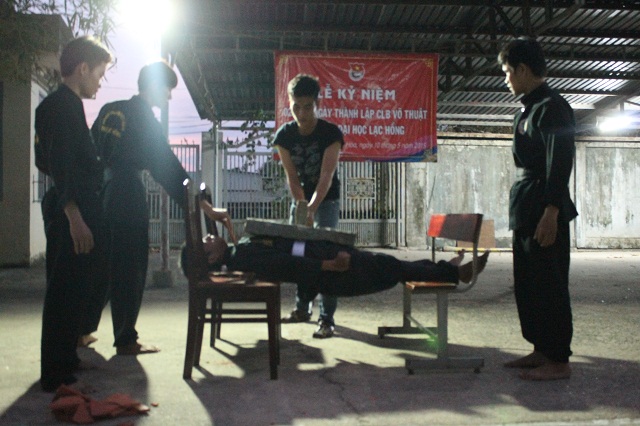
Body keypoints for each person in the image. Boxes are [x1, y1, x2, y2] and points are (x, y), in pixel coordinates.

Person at [84, 61, 189, 356]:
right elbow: (165, 165)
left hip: (102, 193)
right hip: (127, 192)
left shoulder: (110, 110)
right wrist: (193, 197)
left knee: (103, 266)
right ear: (155, 86)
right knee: (130, 267)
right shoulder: (144, 118)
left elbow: (90, 151)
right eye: (167, 90)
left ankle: (82, 329)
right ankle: (126, 339)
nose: (169, 97)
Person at [189, 201, 489, 299]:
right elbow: (286, 264)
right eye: (206, 242)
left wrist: (221, 218)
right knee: (390, 267)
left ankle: (448, 270)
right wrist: (329, 265)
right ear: (213, 257)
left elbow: (255, 244)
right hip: (330, 270)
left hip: (323, 259)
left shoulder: (240, 251)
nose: (209, 236)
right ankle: (454, 273)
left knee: (389, 264)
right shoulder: (243, 255)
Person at [34, 36, 113, 392]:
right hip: (72, 211)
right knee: (64, 291)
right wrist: (74, 217)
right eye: (99, 74)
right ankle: (55, 372)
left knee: (77, 286)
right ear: (82, 68)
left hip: (76, 206)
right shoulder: (60, 106)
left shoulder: (64, 105)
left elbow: (49, 160)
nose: (100, 82)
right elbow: (60, 164)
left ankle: (66, 359)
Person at [498, 37, 578, 381]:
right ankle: (541, 349)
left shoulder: (552, 106)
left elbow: (560, 161)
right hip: (527, 205)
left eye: (507, 72)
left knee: (549, 283)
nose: (506, 79)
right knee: (529, 283)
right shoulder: (527, 109)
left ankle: (558, 359)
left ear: (522, 70)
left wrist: (551, 210)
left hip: (544, 204)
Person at [273, 74, 344, 338]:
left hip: (327, 200)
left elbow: (326, 176)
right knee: (299, 253)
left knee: (327, 255)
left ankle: (327, 319)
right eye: (296, 107)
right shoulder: (284, 136)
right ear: (290, 104)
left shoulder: (331, 134)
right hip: (300, 199)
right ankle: (302, 308)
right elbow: (292, 178)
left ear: (317, 104)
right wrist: (303, 208)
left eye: (307, 107)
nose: (301, 114)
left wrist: (313, 208)